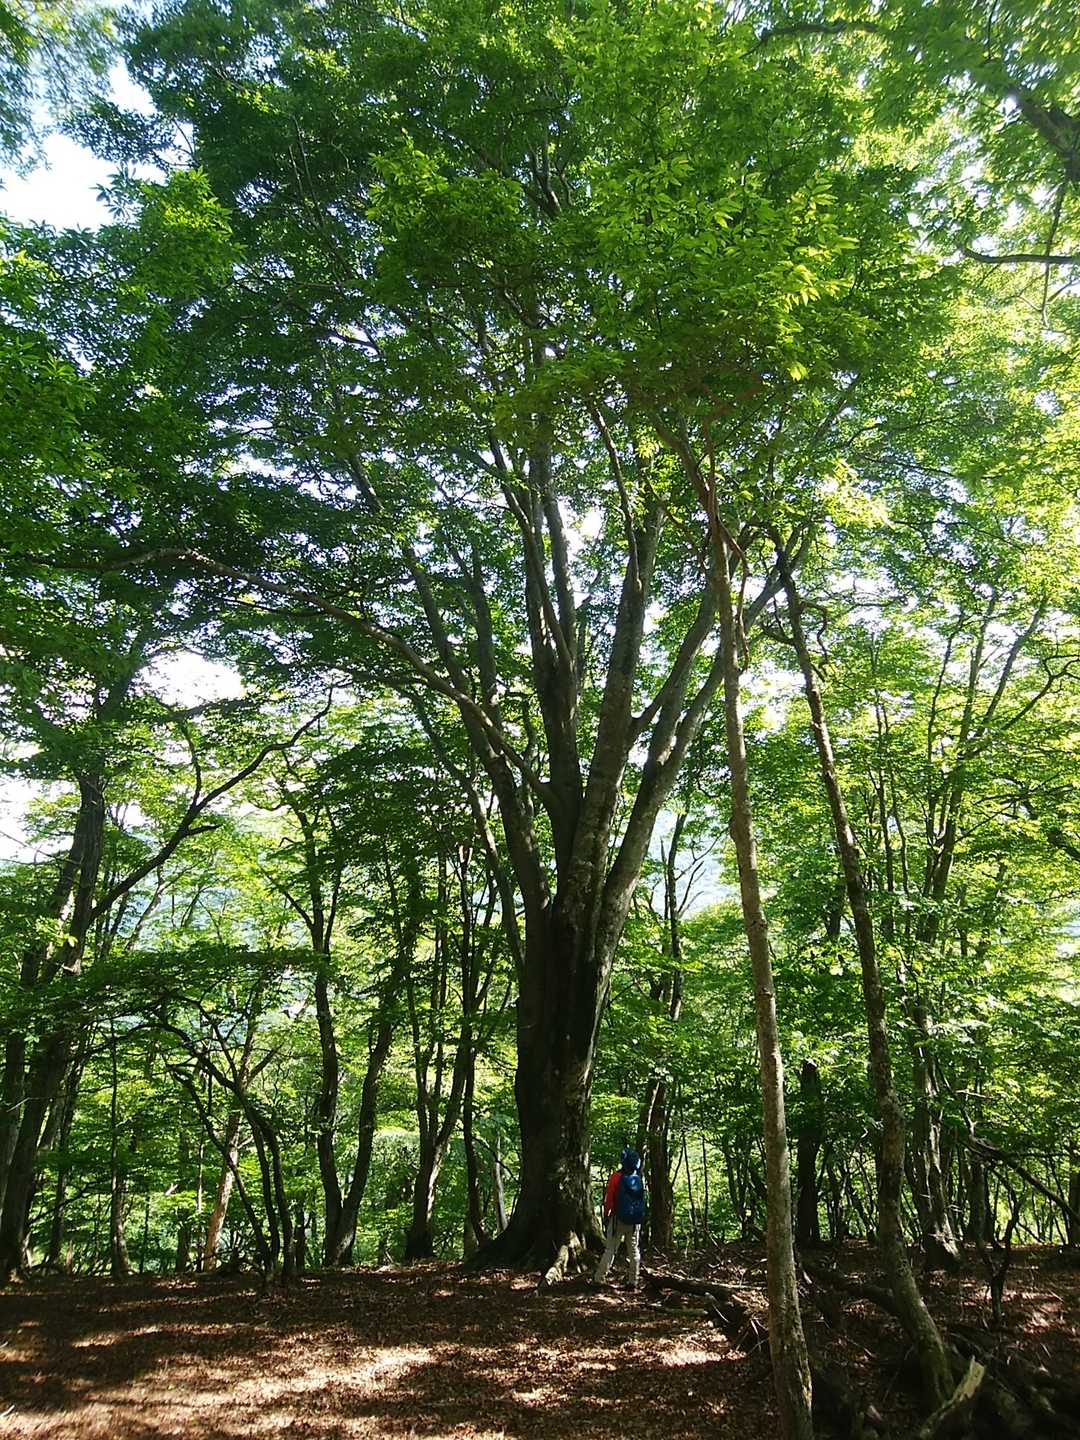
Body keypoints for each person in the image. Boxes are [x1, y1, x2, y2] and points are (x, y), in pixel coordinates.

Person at [594, 1146, 646, 1290]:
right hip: (634, 1222)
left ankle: (599, 1279)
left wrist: (606, 1215)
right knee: (634, 1251)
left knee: (610, 1249)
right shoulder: (637, 1178)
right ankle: (633, 1281)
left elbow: (609, 1200)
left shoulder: (616, 1177)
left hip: (618, 1220)